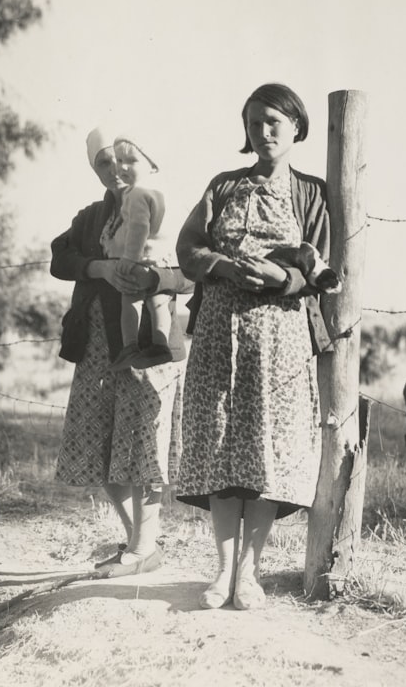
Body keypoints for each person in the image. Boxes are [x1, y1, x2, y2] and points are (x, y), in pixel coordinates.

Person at [175, 83, 335, 610]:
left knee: (265, 451)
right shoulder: (223, 186)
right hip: (220, 335)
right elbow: (189, 247)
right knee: (222, 448)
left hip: (280, 340)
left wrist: (279, 276)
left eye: (273, 122)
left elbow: (321, 268)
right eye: (253, 123)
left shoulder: (311, 193)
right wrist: (223, 266)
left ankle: (250, 574)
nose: (263, 133)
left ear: (296, 127)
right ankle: (221, 573)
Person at [51, 126, 194, 576]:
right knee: (99, 447)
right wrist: (100, 267)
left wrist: (154, 280)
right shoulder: (92, 217)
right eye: (103, 163)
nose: (114, 170)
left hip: (145, 348)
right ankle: (141, 544)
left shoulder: (160, 204)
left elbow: (190, 274)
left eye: (120, 160)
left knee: (141, 447)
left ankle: (141, 547)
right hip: (96, 348)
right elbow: (59, 257)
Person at [103, 135, 174, 371]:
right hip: (163, 260)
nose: (122, 167)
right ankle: (161, 344)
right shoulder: (161, 191)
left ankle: (129, 346)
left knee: (129, 298)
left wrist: (129, 258)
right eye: (119, 159)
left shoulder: (136, 193)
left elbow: (139, 228)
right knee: (159, 302)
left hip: (142, 257)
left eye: (131, 161)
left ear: (151, 165)